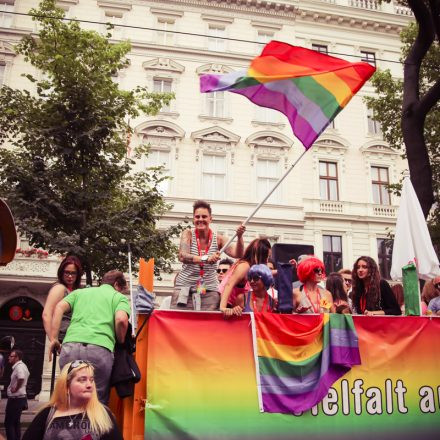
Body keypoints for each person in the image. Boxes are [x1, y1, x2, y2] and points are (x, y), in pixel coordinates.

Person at [49, 270, 130, 404]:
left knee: (67, 396)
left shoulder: (79, 292)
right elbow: (121, 319)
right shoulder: (118, 297)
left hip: (70, 347)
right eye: (121, 290)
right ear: (117, 285)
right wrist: (120, 339)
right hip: (100, 350)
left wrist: (54, 338)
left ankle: (65, 424)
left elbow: (58, 307)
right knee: (97, 401)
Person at [172, 200, 246, 311]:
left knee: (207, 324)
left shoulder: (219, 239)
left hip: (209, 290)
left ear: (210, 219)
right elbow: (182, 256)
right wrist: (205, 258)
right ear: (193, 219)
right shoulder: (187, 234)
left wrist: (240, 237)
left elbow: (238, 254)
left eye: (204, 216)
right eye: (197, 217)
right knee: (179, 322)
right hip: (184, 288)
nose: (200, 219)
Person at [22, 360, 122, 440]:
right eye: (82, 380)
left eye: (91, 380)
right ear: (67, 385)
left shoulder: (103, 414)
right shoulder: (47, 414)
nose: (89, 385)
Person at [219, 238, 271, 316]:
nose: (267, 260)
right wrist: (223, 307)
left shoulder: (250, 267)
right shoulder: (245, 266)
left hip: (231, 305)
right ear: (260, 255)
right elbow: (229, 284)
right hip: (224, 303)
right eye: (266, 257)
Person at [42, 255, 83, 342]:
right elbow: (46, 315)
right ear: (61, 272)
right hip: (63, 340)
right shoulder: (59, 288)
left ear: (78, 274)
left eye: (73, 273)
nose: (70, 276)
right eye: (67, 272)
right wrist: (53, 340)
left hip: (73, 339)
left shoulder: (76, 291)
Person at [4, 349, 30, 440]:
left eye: (11, 356)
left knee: (9, 423)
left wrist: (16, 388)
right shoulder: (23, 366)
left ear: (17, 357)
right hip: (20, 398)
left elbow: (21, 378)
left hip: (15, 399)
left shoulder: (19, 367)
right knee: (16, 422)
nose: (9, 358)